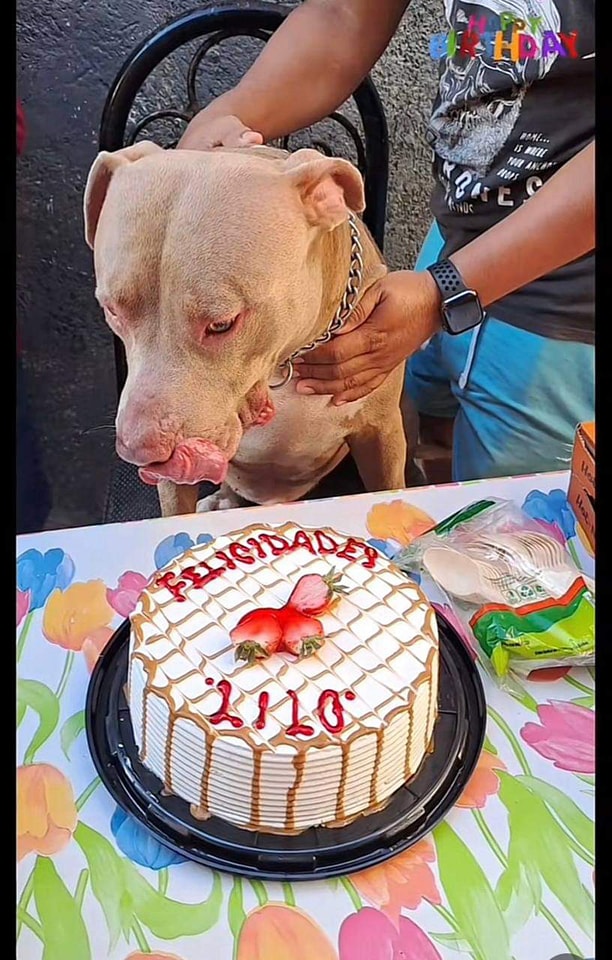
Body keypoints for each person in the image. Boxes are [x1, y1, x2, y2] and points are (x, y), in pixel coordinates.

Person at [178, 0, 594, 482]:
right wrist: (229, 115)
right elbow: (344, 15)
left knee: (513, 538)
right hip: (451, 243)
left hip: (565, 311)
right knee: (427, 457)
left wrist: (444, 293)